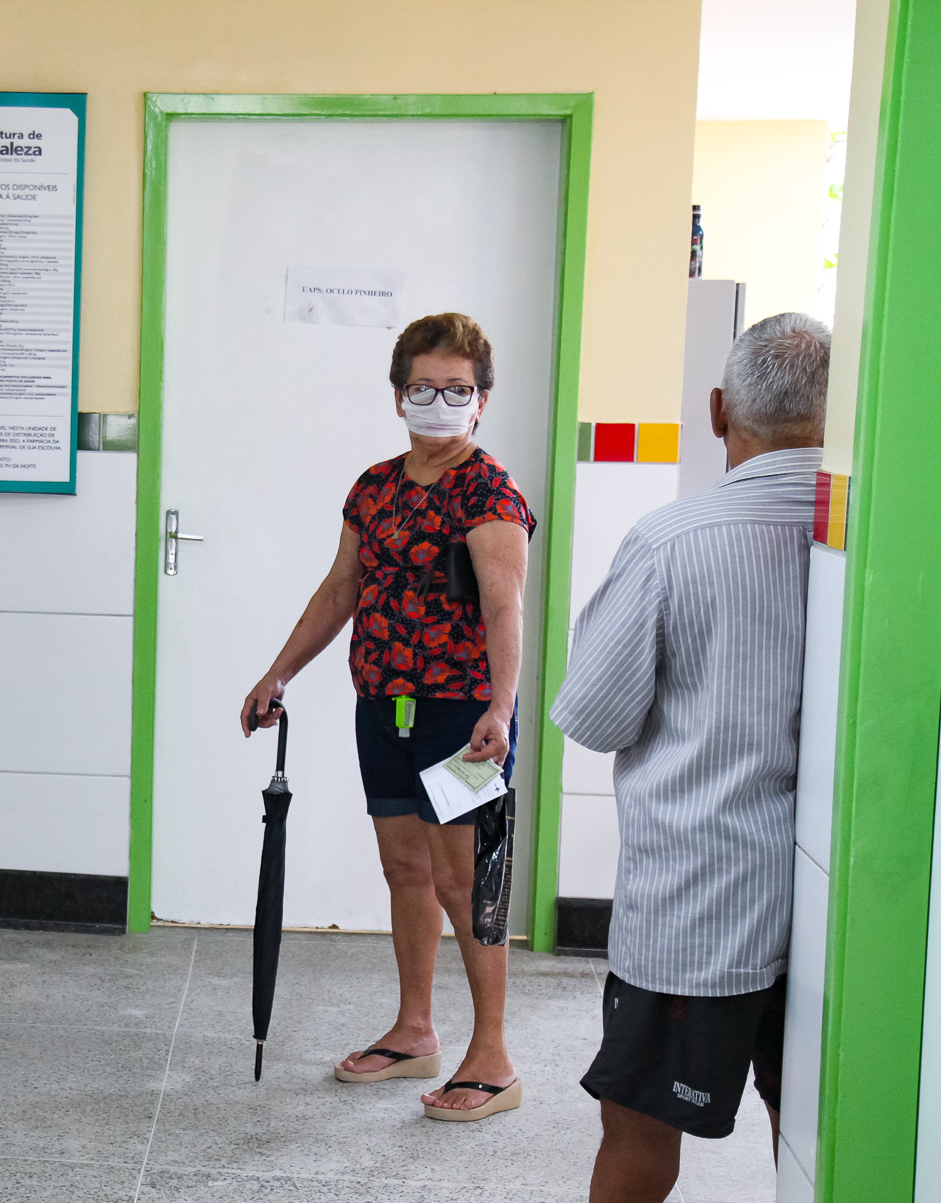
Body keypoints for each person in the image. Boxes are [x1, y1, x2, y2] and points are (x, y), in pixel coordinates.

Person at [551, 313, 830, 1202]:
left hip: (695, 911)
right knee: (814, 1130)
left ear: (718, 412)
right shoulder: (872, 544)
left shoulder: (674, 542)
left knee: (639, 1132)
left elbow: (593, 715)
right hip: (840, 907)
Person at [241, 312, 534, 1121]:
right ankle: (415, 1030)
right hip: (386, 707)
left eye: (457, 389)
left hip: (464, 718)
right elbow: (342, 589)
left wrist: (501, 710)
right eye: (422, 387)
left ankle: (494, 1055)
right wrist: (279, 672)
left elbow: (506, 606)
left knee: (467, 881)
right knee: (407, 870)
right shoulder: (374, 487)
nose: (438, 402)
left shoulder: (489, 489)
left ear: (481, 400)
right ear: (398, 392)